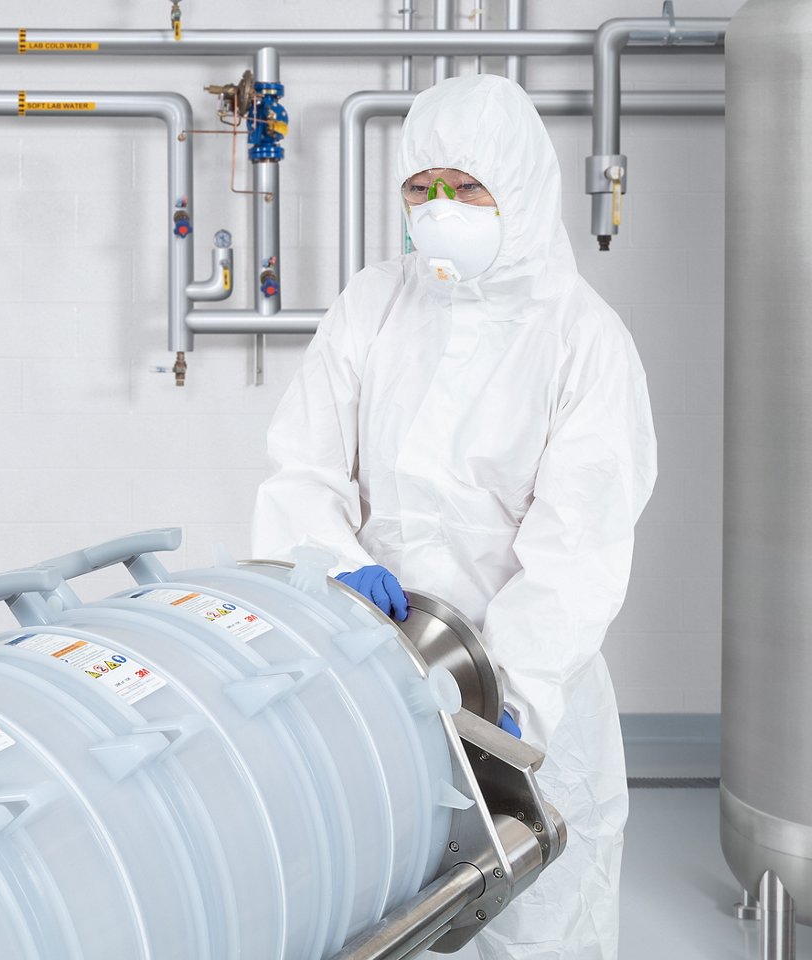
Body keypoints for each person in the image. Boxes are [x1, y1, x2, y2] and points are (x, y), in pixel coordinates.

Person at [252, 73, 656, 959]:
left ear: (521, 187)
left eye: (467, 186)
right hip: (374, 676)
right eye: (420, 187)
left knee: (531, 925)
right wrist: (325, 561)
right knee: (384, 916)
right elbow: (303, 466)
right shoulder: (373, 305)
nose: (440, 208)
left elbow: (574, 558)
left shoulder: (582, 341)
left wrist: (508, 698)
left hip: (522, 706)